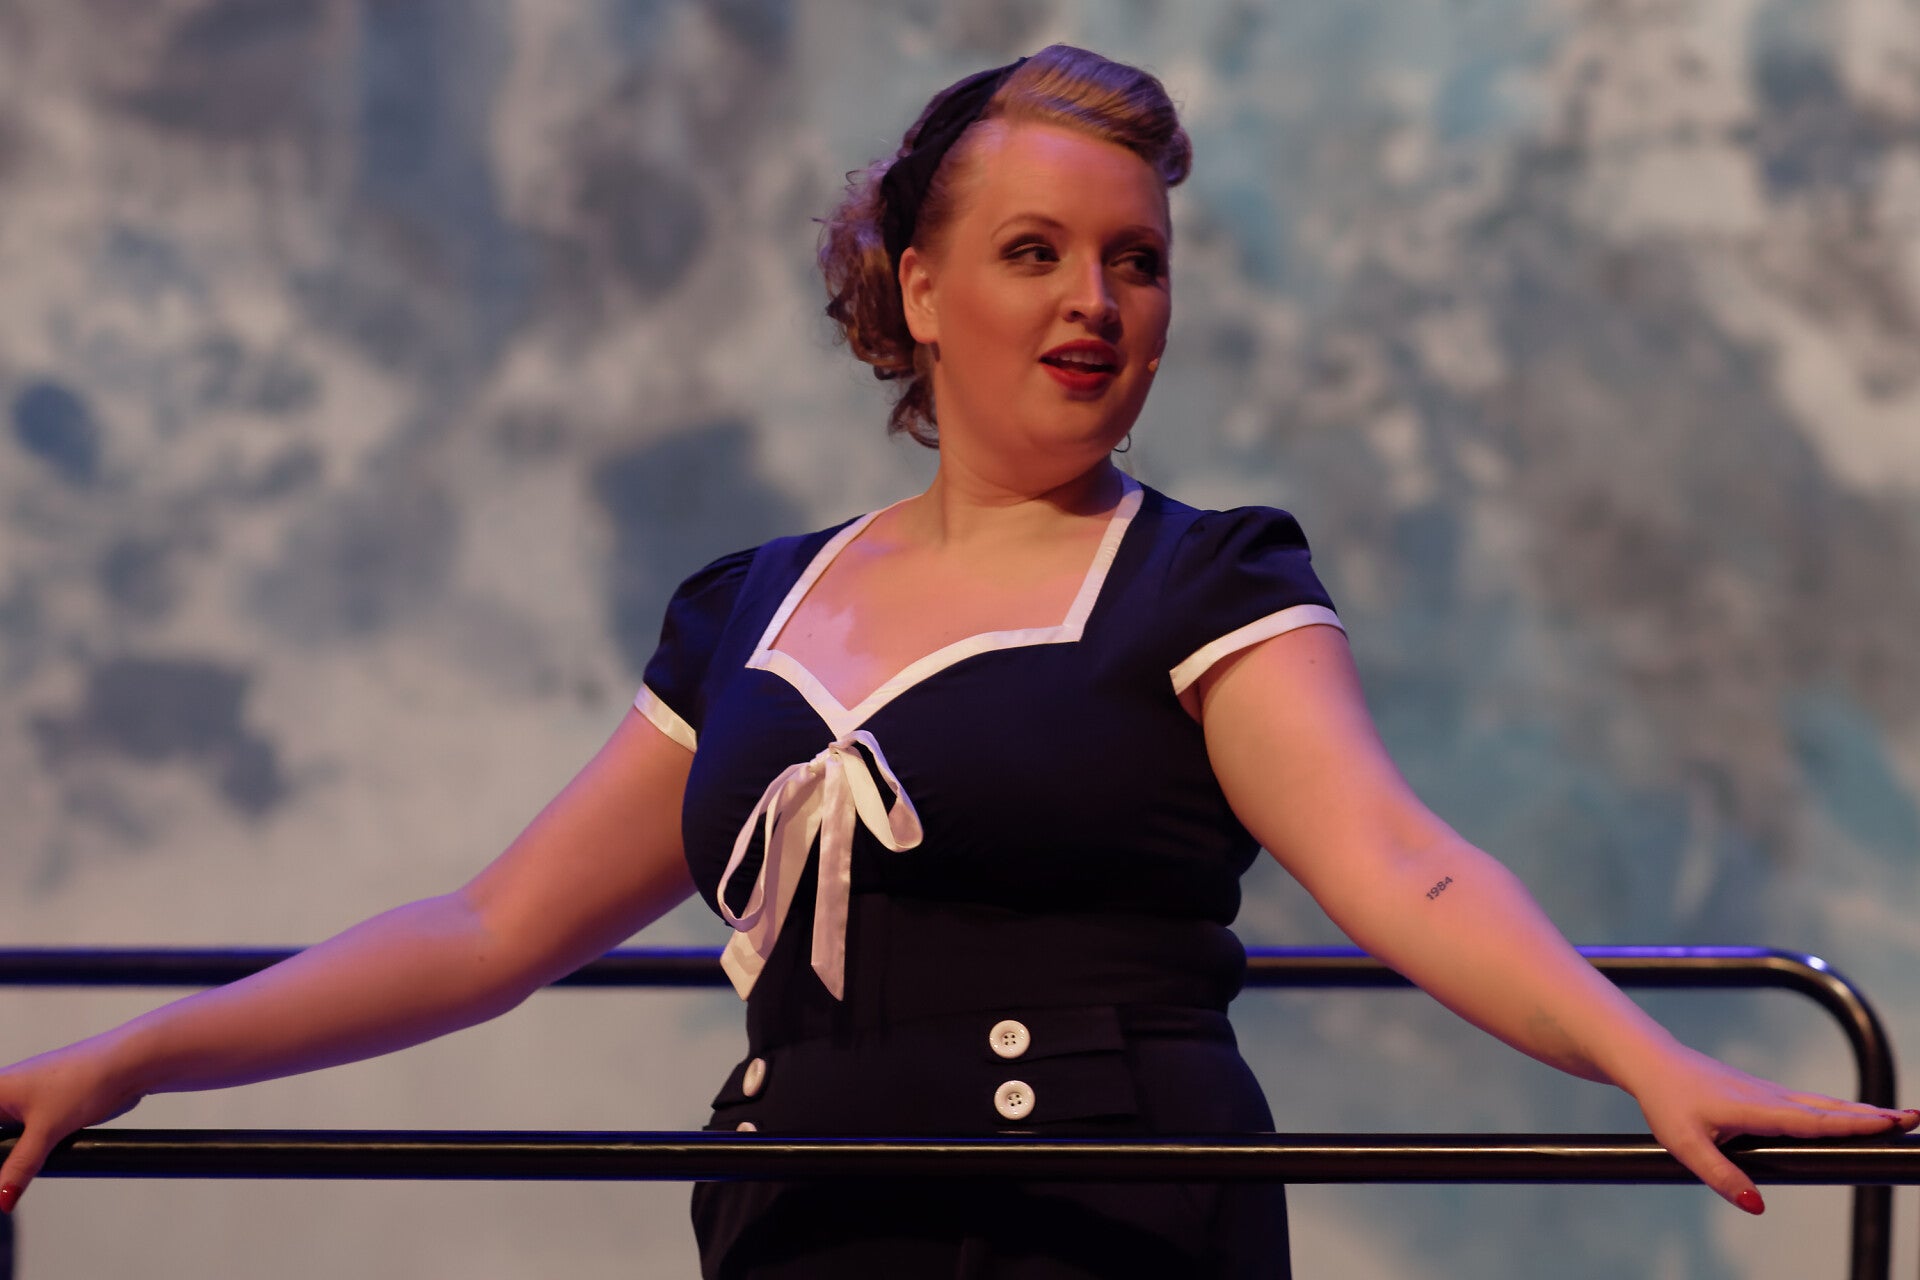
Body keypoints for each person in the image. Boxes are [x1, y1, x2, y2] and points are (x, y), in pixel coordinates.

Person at [0, 43, 1913, 1279]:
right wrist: (136, 1058)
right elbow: (491, 929)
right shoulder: (749, 607)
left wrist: (1647, 1059)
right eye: (1034, 253)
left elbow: (1405, 866)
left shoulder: (1204, 580)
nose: (1095, 302)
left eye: (1137, 260)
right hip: (807, 1233)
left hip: (1106, 1231)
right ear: (917, 288)